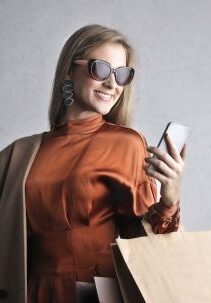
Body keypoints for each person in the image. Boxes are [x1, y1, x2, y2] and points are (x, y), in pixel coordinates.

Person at [0, 24, 187, 303]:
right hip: (34, 292)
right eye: (100, 69)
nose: (113, 84)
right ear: (69, 70)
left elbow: (145, 240)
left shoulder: (126, 143)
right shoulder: (19, 154)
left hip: (101, 294)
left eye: (122, 75)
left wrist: (169, 199)